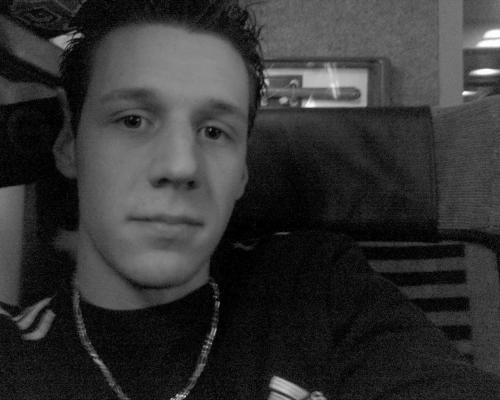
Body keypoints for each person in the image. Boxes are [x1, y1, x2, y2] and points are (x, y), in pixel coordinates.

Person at [1, 1, 500, 399]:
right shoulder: (14, 358)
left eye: (214, 131)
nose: (181, 166)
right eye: (133, 120)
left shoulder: (320, 290)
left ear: (242, 168)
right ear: (70, 142)